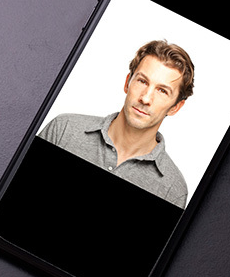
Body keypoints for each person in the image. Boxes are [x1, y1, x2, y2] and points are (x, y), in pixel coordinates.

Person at [38, 40, 194, 208]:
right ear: (127, 82)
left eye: (162, 91)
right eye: (142, 81)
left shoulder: (173, 189)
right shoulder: (63, 130)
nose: (146, 98)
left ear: (175, 107)